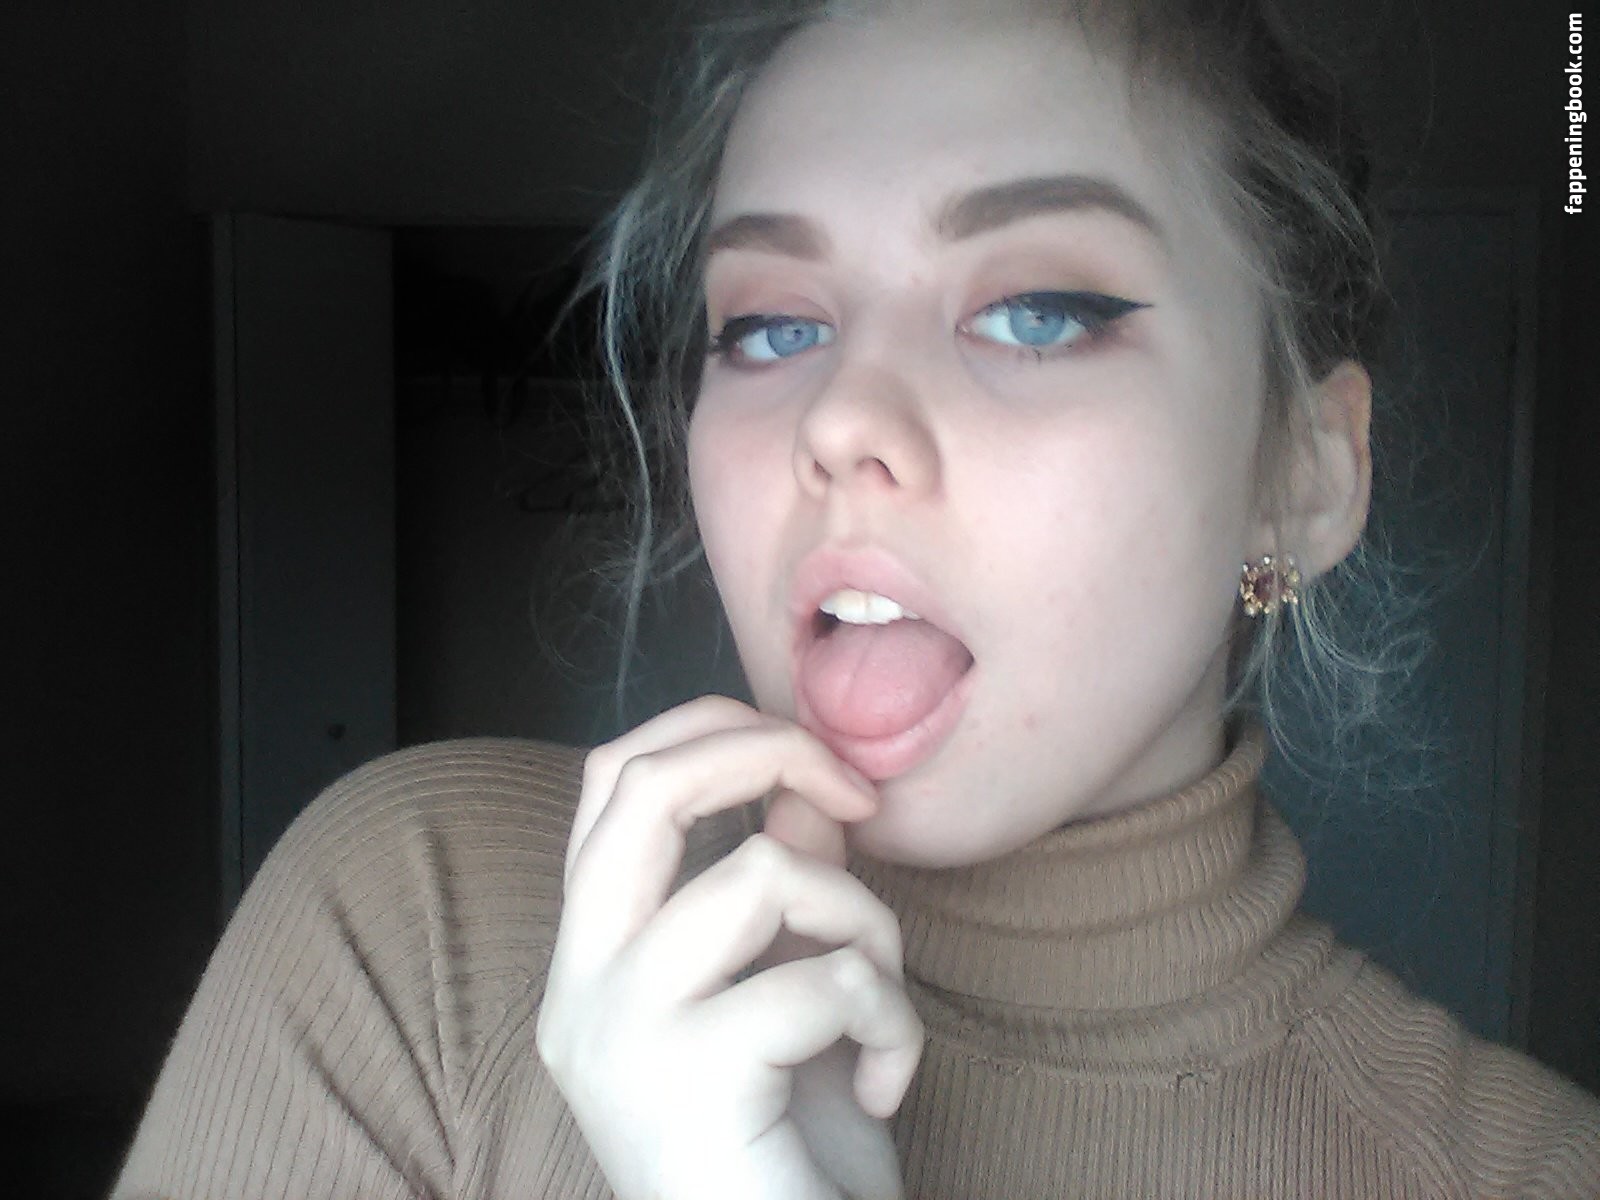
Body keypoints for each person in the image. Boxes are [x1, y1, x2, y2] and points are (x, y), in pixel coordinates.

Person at [112, 1, 1600, 1197]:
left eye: (1035, 313)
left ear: (1306, 476)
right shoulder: (418, 925)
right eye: (770, 327)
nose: (837, 419)